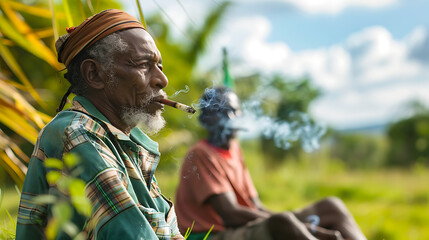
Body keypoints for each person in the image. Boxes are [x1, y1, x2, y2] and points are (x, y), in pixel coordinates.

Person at [16, 9, 184, 240]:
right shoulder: (78, 134)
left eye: (159, 66)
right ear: (94, 73)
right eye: (144, 65)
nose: (161, 79)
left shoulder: (125, 143)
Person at [175, 86, 367, 240]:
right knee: (282, 221)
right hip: (214, 235)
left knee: (331, 206)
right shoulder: (201, 154)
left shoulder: (234, 150)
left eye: (235, 111)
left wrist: (293, 222)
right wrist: (297, 225)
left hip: (243, 227)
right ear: (207, 119)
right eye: (222, 112)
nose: (231, 118)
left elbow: (255, 206)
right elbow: (231, 215)